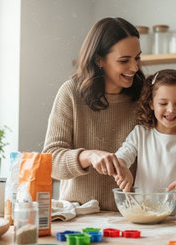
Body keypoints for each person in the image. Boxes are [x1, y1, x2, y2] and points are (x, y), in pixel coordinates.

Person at [42, 17, 145, 211]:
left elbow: (171, 141)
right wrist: (88, 156)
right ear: (99, 60)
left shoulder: (145, 96)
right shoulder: (71, 92)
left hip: (131, 217)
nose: (134, 68)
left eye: (137, 58)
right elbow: (50, 162)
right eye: (124, 61)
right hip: (77, 214)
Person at [113, 69, 176, 218]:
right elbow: (121, 157)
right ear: (151, 103)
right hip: (144, 214)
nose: (171, 109)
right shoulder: (141, 133)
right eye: (163, 103)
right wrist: (122, 168)